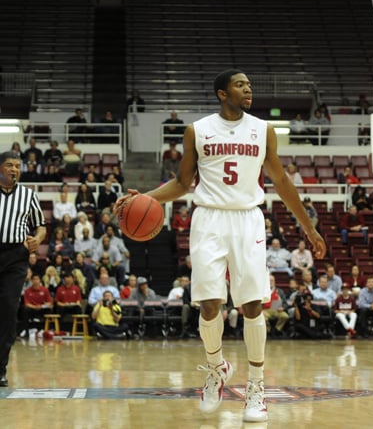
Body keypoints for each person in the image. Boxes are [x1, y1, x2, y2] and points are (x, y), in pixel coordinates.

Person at [112, 69, 326, 423]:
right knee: (209, 305)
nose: (248, 89)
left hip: (248, 218)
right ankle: (216, 369)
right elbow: (183, 182)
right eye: (241, 84)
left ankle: (255, 387)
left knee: (252, 304)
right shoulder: (198, 130)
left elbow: (281, 181)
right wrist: (146, 198)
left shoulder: (263, 130)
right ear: (221, 94)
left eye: (250, 84)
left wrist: (309, 227)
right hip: (209, 218)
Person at [0, 150, 47, 387]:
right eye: (9, 165)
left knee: (8, 309)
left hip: (16, 257)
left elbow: (40, 226)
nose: (14, 169)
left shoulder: (29, 195)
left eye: (17, 166)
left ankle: (0, 368)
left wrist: (37, 239)